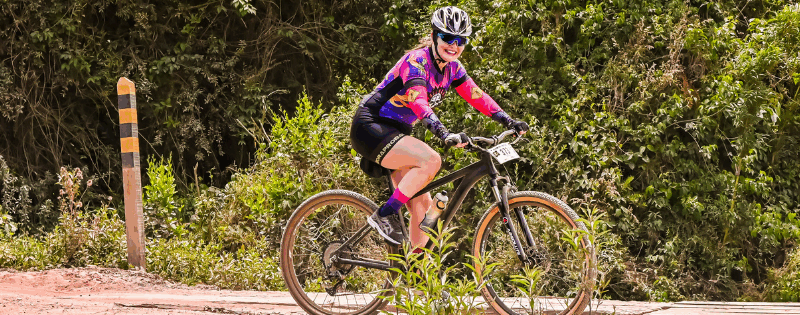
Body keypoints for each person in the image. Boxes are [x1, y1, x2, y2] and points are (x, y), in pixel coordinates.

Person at [350, 6, 529, 247]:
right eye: (447, 37)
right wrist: (444, 133)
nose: (454, 45)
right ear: (434, 36)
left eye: (461, 40)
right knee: (431, 160)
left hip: (398, 133)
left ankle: (416, 268)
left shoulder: (453, 68)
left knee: (425, 209)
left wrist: (509, 121)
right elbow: (418, 102)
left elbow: (477, 96)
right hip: (372, 126)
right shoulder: (416, 61)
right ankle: (385, 214)